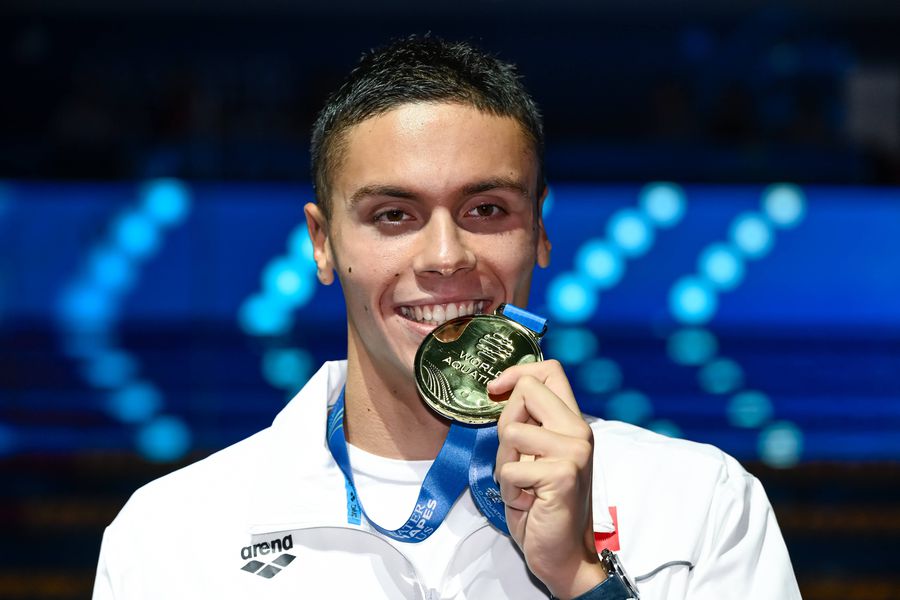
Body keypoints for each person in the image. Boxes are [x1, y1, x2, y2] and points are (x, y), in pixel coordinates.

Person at [92, 35, 802, 599]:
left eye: (486, 210)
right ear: (322, 243)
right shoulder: (172, 535)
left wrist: (584, 580)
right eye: (393, 215)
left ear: (540, 231)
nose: (444, 255)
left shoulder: (699, 504)